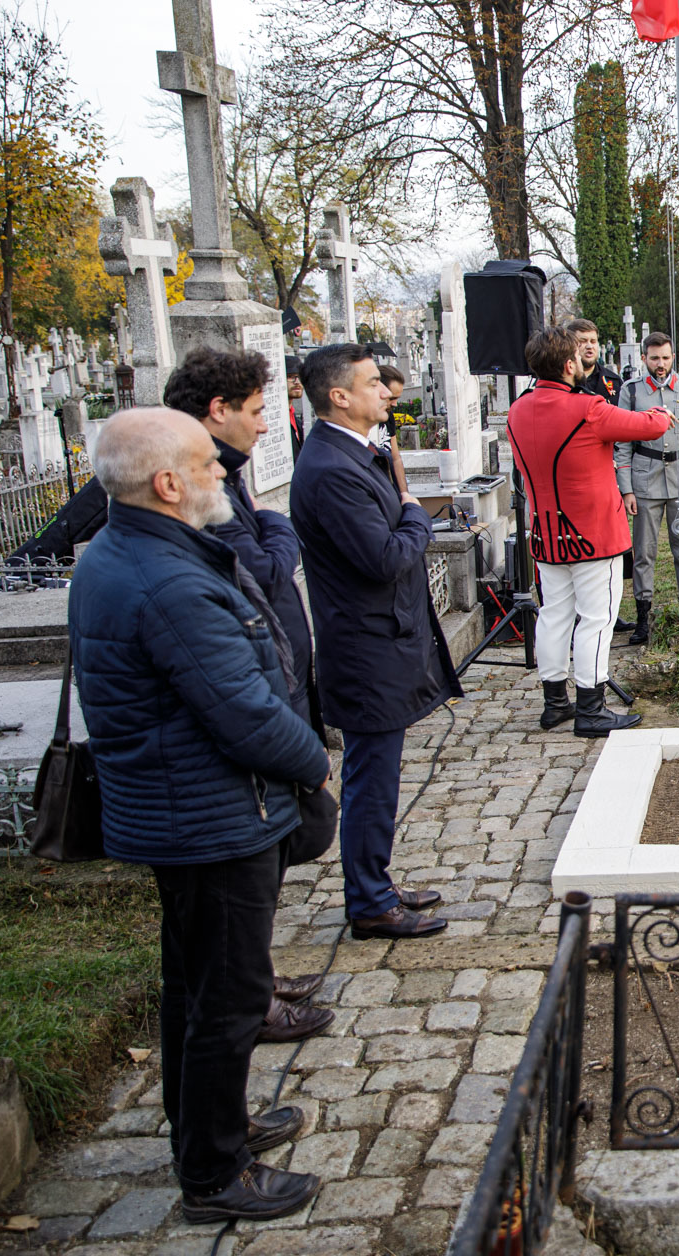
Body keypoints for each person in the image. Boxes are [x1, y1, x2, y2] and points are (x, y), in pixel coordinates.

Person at [72, 407, 329, 1222]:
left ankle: (208, 1128)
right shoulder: (167, 580)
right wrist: (317, 765)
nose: (223, 472)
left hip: (184, 810)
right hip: (210, 817)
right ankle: (215, 1175)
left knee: (196, 984)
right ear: (167, 483)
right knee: (227, 997)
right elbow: (243, 711)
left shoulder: (131, 551)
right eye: (205, 464)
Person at [161, 347, 332, 1042]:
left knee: (271, 864)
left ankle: (252, 976)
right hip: (240, 729)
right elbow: (261, 560)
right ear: (217, 412)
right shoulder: (201, 490)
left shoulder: (224, 477)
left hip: (277, 679)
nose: (267, 427)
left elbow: (265, 542)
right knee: (244, 882)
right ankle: (246, 995)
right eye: (258, 412)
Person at [291, 343, 460, 941]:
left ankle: (377, 884)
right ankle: (367, 901)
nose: (385, 392)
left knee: (380, 777)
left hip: (382, 637)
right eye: (371, 384)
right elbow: (385, 556)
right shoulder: (331, 470)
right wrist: (416, 512)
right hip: (365, 648)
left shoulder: (357, 453)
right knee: (369, 778)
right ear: (339, 397)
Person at [506, 326, 673, 734]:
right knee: (597, 619)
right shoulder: (588, 408)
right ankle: (591, 708)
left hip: (546, 532)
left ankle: (555, 703)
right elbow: (649, 426)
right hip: (593, 532)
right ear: (568, 365)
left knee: (554, 616)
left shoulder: (518, 409)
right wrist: (664, 413)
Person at [616, 332, 679, 644]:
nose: (660, 365)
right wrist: (626, 490)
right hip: (645, 480)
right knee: (645, 552)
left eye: (665, 357)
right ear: (644, 359)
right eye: (654, 358)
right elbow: (622, 444)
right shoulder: (632, 391)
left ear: (673, 356)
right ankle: (643, 617)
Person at [566, 317, 634, 631]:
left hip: (609, 472)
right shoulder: (565, 382)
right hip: (578, 476)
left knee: (612, 547)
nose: (590, 346)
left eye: (593, 340)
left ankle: (609, 609)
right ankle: (579, 613)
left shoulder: (611, 381)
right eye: (582, 341)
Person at [284, 355, 306, 458]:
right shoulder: (281, 421)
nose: (297, 382)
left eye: (299, 376)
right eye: (290, 376)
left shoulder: (295, 419)